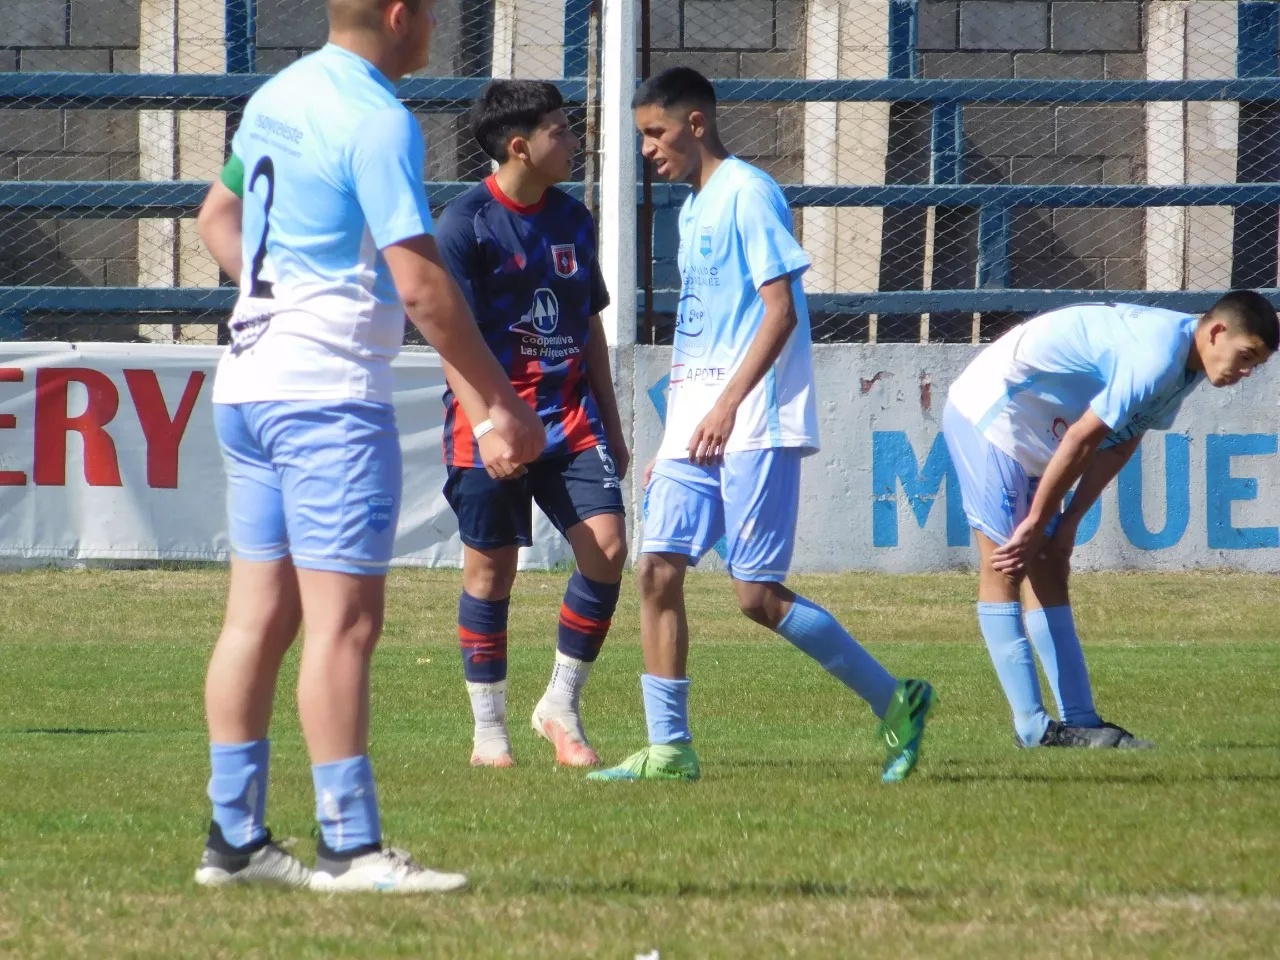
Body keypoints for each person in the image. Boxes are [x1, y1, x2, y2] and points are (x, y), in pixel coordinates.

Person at [192, 0, 544, 892]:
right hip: (324, 397)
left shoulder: (278, 91)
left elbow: (215, 219)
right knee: (343, 625)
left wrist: (281, 298)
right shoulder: (380, 117)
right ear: (400, 15)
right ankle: (349, 848)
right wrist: (502, 403)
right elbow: (422, 287)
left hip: (249, 382)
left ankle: (233, 841)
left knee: (256, 619)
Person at [589, 66, 935, 785]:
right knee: (655, 569)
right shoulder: (691, 210)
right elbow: (701, 333)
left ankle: (898, 699)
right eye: (642, 136)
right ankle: (670, 749)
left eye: (654, 133)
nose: (648, 149)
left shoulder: (749, 193)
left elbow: (779, 311)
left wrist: (724, 407)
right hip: (699, 422)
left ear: (695, 122)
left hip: (754, 420)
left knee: (757, 597)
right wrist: (675, 431)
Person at [942, 292, 1277, 749]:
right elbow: (1084, 437)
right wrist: (1039, 520)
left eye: (1255, 365)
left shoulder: (1188, 362)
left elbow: (1121, 440)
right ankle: (1033, 728)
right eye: (1246, 357)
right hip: (993, 411)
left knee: (1050, 562)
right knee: (1006, 561)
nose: (1245, 373)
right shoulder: (1157, 357)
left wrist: (1070, 521)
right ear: (1217, 331)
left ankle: (1081, 720)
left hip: (1040, 428)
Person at [434, 79, 628, 769]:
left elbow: (589, 325)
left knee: (607, 549)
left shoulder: (574, 218)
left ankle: (560, 702)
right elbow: (448, 335)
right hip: (491, 422)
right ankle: (490, 732)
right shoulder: (464, 226)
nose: (573, 139)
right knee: (492, 575)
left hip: (569, 418)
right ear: (520, 146)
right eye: (561, 129)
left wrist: (611, 416)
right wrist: (487, 426)